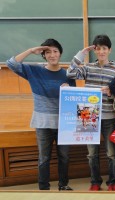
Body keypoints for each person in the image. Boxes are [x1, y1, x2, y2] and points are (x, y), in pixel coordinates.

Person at [6, 38, 75, 191]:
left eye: (55, 51)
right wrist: (31, 51)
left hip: (64, 123)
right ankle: (43, 187)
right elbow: (11, 63)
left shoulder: (68, 75)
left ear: (60, 53)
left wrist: (68, 90)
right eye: (48, 52)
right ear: (43, 55)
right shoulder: (35, 71)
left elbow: (74, 101)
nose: (52, 55)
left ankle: (63, 185)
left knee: (64, 157)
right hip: (43, 122)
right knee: (44, 157)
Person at [67, 34, 115, 191]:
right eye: (98, 49)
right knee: (92, 154)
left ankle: (113, 182)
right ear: (95, 50)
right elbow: (69, 73)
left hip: (109, 116)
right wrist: (81, 54)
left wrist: (112, 93)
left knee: (111, 153)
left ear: (109, 50)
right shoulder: (88, 67)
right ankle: (95, 182)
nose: (101, 51)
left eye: (105, 48)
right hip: (88, 114)